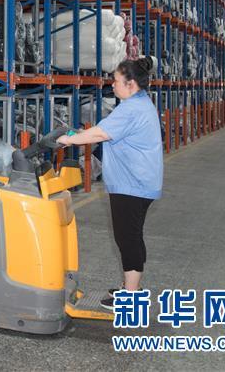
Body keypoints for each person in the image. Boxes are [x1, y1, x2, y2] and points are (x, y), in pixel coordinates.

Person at [55, 57, 163, 309]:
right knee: (132, 235)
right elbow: (105, 131)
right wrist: (77, 134)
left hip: (132, 184)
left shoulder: (131, 109)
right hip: (139, 181)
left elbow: (101, 133)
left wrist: (68, 140)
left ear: (131, 84)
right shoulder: (140, 102)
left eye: (115, 81)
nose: (112, 85)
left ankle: (131, 296)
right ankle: (131, 287)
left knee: (127, 238)